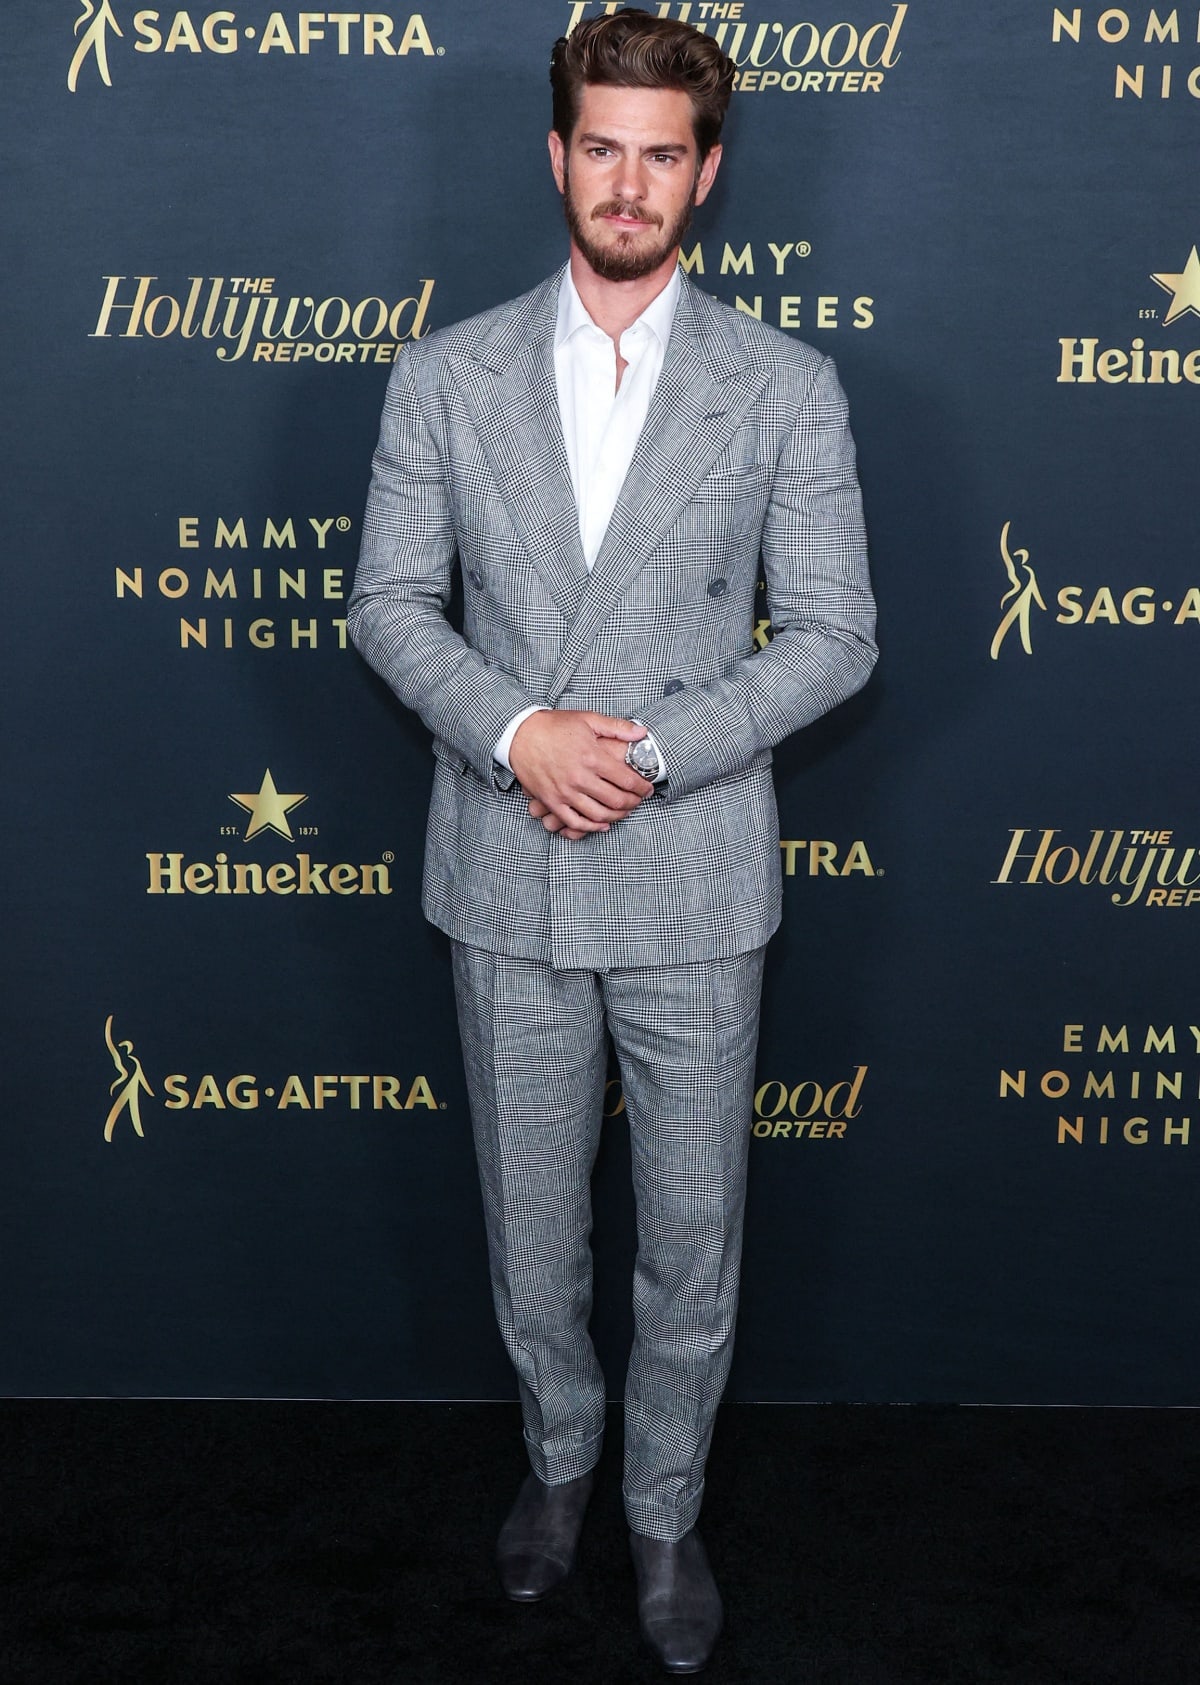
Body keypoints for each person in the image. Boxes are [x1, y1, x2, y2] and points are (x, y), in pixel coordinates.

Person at [348, 10, 876, 1672]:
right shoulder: (448, 375)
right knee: (531, 1229)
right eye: (602, 145)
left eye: (663, 153)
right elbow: (386, 605)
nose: (629, 182)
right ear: (556, 154)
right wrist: (520, 733)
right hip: (506, 865)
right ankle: (560, 1464)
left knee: (692, 1237)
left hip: (691, 866)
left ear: (706, 173)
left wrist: (646, 749)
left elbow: (839, 636)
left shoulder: (786, 386)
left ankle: (663, 1502)